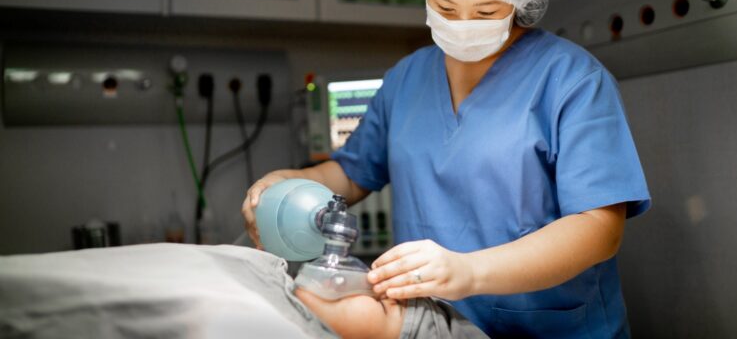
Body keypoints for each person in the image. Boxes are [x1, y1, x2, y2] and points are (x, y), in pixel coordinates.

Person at [242, 0, 651, 337]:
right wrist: (288, 182)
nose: (463, 26)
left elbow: (599, 228)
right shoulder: (407, 79)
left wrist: (468, 272)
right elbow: (350, 173)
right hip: (430, 325)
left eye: (486, 11)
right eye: (445, 6)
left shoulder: (572, 81)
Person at [0, 243, 486, 338]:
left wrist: (469, 271)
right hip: (246, 270)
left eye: (381, 304)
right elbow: (347, 171)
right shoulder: (268, 271)